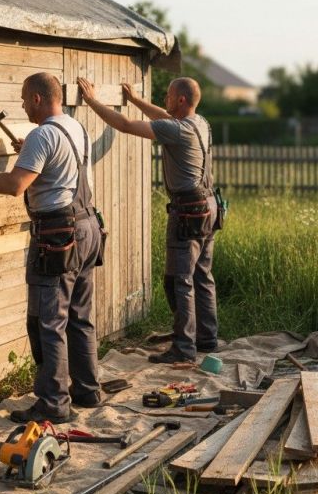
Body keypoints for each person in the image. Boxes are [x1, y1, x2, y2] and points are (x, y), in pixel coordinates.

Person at [0, 72, 104, 424]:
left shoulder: (42, 135)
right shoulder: (75, 128)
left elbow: (15, 185)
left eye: (23, 98)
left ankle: (53, 403)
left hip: (57, 236)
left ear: (37, 98)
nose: (21, 105)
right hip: (88, 227)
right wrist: (31, 155)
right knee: (79, 316)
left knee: (49, 323)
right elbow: (60, 170)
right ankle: (88, 389)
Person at [76, 75, 218, 363]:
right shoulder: (200, 123)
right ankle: (206, 339)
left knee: (179, 281)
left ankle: (183, 348)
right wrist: (135, 100)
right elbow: (164, 116)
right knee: (202, 275)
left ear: (181, 100)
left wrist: (92, 101)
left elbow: (126, 125)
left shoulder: (177, 130)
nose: (165, 99)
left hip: (188, 211)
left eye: (168, 95)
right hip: (209, 205)